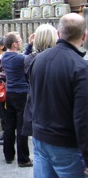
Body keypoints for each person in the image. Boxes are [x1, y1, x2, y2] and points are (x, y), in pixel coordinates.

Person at [28, 13, 88, 177]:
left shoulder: (38, 60)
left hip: (40, 137)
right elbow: (83, 117)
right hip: (66, 143)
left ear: (59, 33)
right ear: (84, 36)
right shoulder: (80, 67)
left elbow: (32, 98)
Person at [1, 31, 32, 167]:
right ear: (14, 44)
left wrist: (29, 45)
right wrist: (32, 46)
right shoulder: (19, 59)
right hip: (21, 94)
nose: (21, 43)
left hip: (10, 93)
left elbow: (23, 57)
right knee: (21, 127)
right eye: (19, 41)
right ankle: (23, 159)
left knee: (9, 125)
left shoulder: (4, 57)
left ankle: (8, 155)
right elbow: (28, 58)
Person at [22, 24, 58, 136]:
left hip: (37, 108)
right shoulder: (59, 57)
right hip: (57, 109)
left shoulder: (30, 59)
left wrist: (29, 45)